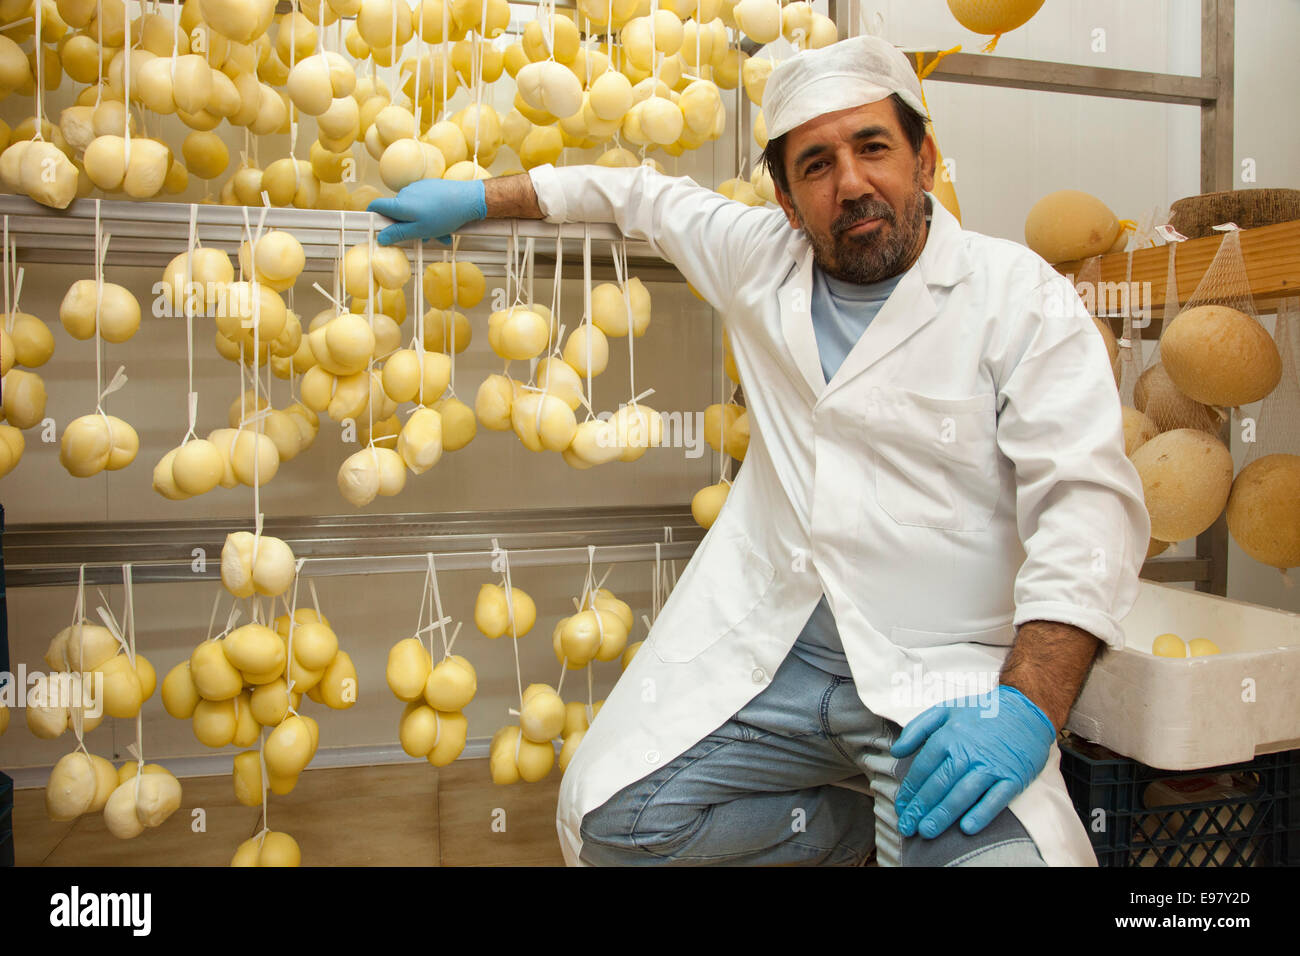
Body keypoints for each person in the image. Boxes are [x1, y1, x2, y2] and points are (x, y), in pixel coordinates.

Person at [369, 34, 1151, 867]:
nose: (850, 183)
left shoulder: (1017, 297)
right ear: (785, 198)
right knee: (616, 827)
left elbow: (1085, 504)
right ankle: (847, 833)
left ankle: (899, 817)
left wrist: (1029, 707)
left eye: (873, 147)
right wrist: (481, 199)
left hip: (934, 676)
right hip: (778, 658)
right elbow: (637, 195)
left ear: (924, 157)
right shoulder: (757, 259)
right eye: (816, 165)